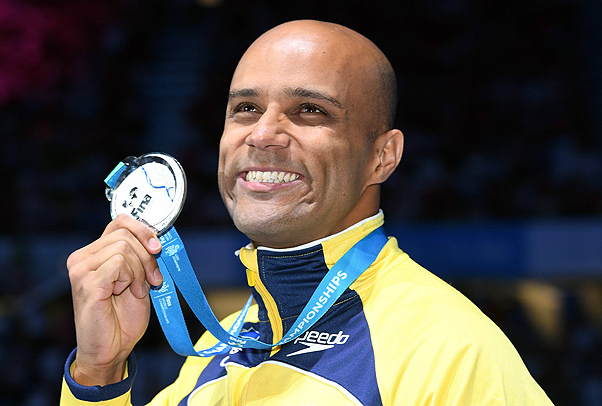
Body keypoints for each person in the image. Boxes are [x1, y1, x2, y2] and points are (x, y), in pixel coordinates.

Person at [60, 19, 553, 405]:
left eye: (310, 111)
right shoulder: (210, 358)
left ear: (383, 156)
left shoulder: (451, 350)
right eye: (246, 109)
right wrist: (98, 373)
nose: (262, 134)